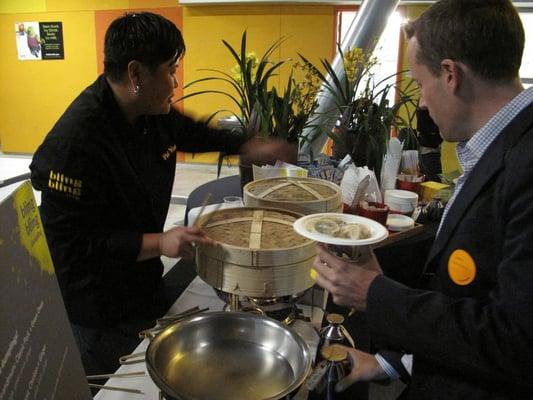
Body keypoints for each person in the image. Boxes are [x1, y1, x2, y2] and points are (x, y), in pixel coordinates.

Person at [30, 12, 292, 377]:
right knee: (120, 381)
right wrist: (159, 241)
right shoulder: (74, 144)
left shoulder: (149, 111)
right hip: (97, 309)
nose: (175, 80)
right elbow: (72, 248)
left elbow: (193, 133)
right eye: (171, 69)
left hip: (143, 283)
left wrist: (249, 145)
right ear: (137, 74)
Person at [312, 0, 533, 398]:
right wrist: (390, 361)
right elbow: (473, 291)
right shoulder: (501, 145)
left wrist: (375, 294)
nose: (424, 103)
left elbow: (517, 342)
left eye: (420, 84)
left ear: (451, 75)